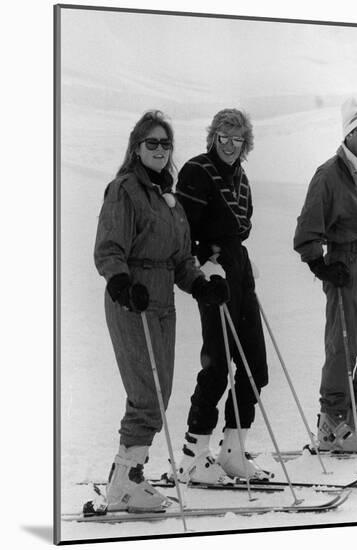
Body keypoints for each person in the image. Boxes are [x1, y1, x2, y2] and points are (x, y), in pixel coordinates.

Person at [93, 110, 229, 512]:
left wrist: (202, 284)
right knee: (146, 394)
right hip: (132, 300)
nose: (158, 149)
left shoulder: (168, 200)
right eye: (151, 142)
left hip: (162, 304)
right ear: (137, 147)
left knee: (159, 393)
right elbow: (109, 247)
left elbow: (180, 260)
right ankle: (125, 482)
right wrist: (120, 283)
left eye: (165, 143)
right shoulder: (125, 190)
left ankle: (129, 474)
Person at [293, 98, 357, 452]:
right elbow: (308, 227)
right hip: (345, 266)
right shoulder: (329, 174)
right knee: (344, 345)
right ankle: (332, 423)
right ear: (348, 134)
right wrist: (320, 264)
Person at [175, 108, 270, 483]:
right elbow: (183, 227)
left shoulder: (241, 178)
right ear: (213, 137)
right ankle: (193, 455)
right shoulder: (198, 171)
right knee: (217, 365)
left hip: (238, 268)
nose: (230, 145)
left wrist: (240, 264)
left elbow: (240, 227)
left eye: (237, 139)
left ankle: (232, 449)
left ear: (246, 143)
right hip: (212, 272)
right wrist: (204, 263)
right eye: (223, 137)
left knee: (254, 367)